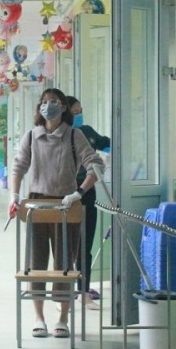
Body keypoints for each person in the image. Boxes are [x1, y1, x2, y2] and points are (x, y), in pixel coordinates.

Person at [8, 88, 105, 339]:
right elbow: (18, 166)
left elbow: (95, 164)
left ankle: (63, 318)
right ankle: (39, 317)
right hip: (37, 205)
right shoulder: (31, 136)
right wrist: (14, 196)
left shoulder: (74, 135)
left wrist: (80, 192)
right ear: (39, 107)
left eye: (54, 102)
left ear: (63, 107)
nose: (48, 106)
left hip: (66, 205)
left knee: (64, 264)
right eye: (44, 102)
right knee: (36, 263)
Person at [65, 96, 111, 309]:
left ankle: (83, 291)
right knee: (65, 245)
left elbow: (107, 146)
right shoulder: (60, 136)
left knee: (85, 244)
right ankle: (64, 292)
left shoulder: (88, 133)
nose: (79, 115)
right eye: (75, 112)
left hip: (87, 192)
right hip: (64, 194)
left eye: (80, 111)